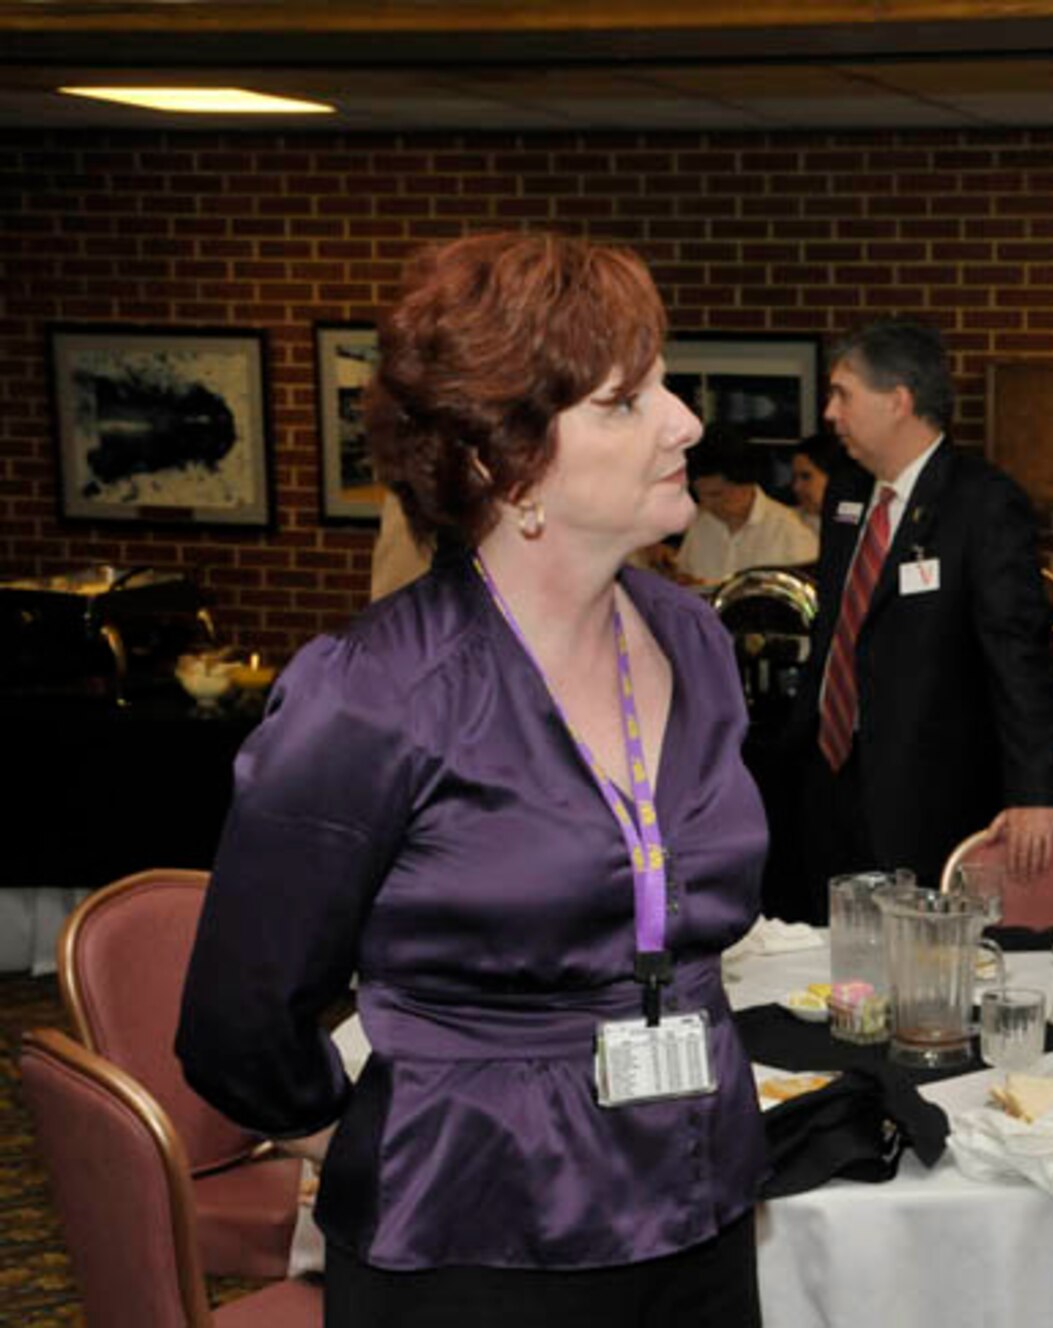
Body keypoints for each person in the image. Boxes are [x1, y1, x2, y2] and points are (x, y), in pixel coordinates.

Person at [176, 232, 768, 1327]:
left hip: (701, 1204)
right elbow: (237, 1019)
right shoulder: (375, 695)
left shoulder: (693, 639)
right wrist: (379, 1125)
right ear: (509, 462)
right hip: (476, 1241)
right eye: (626, 400)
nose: (685, 420)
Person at [783, 320, 1053, 920]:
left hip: (927, 787)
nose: (830, 413)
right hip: (831, 773)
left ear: (897, 400)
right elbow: (835, 625)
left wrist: (1034, 792)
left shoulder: (982, 503)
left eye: (843, 394)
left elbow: (1019, 654)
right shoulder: (847, 495)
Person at [675, 424, 818, 584]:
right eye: (699, 495)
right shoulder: (700, 525)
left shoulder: (790, 533)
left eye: (716, 494)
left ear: (745, 484)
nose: (707, 503)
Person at [788, 431, 841, 535]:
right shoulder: (786, 522)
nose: (796, 487)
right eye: (794, 478)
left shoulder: (867, 526)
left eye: (806, 477)